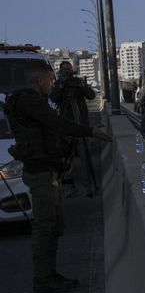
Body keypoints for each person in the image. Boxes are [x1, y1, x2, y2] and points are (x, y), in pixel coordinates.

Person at [5, 61, 112, 293]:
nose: (53, 84)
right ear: (39, 80)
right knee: (45, 226)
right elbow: (57, 123)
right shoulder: (29, 102)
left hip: (47, 169)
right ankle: (43, 278)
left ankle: (49, 274)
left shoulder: (32, 102)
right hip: (40, 172)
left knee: (53, 225)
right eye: (50, 80)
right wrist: (89, 131)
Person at [50, 61, 98, 196]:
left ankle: (87, 187)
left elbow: (91, 95)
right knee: (66, 159)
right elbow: (54, 98)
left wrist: (80, 85)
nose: (66, 74)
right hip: (66, 128)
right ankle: (68, 187)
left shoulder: (77, 83)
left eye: (68, 72)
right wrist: (61, 84)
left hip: (80, 126)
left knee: (84, 158)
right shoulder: (59, 85)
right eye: (63, 72)